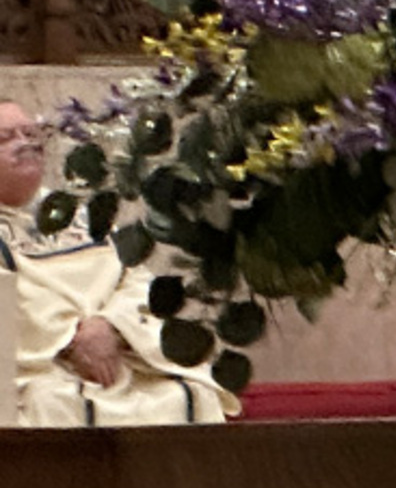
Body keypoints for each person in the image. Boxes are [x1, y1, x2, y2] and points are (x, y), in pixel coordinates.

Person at [0, 101, 232, 426]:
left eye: (30, 133)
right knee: (52, 404)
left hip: (119, 354)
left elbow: (134, 279)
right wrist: (71, 337)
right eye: (6, 137)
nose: (25, 144)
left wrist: (112, 326)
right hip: (47, 369)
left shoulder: (76, 214)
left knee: (191, 394)